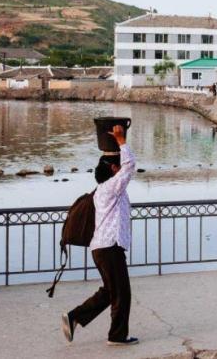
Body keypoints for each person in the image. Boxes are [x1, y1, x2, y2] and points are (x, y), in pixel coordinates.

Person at [62, 125, 139, 346]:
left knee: (110, 292)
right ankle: (117, 336)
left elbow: (125, 167)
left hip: (105, 248)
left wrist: (112, 150)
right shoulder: (110, 188)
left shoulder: (109, 190)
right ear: (114, 170)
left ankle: (73, 317)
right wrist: (121, 141)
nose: (121, 170)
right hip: (108, 247)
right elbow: (130, 165)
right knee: (121, 293)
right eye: (118, 167)